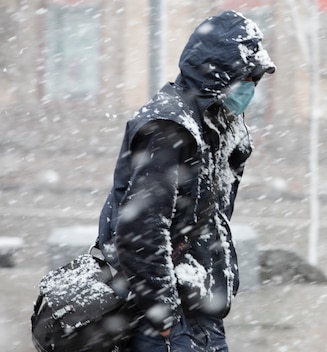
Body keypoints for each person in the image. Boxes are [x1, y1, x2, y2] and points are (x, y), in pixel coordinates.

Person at [97, 10, 275, 352]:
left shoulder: (216, 125)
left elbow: (210, 218)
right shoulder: (170, 128)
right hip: (162, 317)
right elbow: (140, 233)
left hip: (197, 307)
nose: (252, 89)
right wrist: (165, 319)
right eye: (247, 79)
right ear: (220, 76)